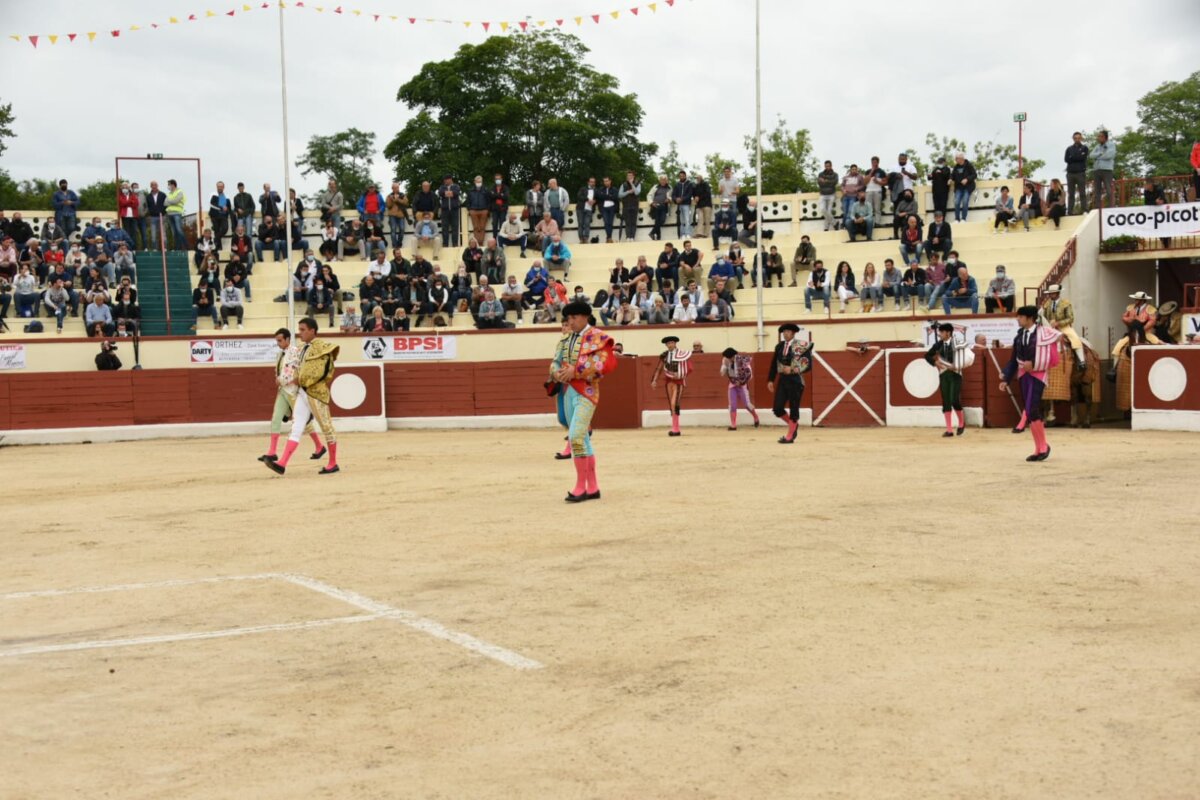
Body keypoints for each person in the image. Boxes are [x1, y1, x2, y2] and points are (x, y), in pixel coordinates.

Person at [551, 301, 617, 501]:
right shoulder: (565, 340)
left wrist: (576, 371)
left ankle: (580, 486)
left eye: (573, 318)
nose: (570, 322)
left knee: (577, 436)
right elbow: (554, 361)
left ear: (585, 317)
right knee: (583, 439)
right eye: (568, 319)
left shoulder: (599, 337)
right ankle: (593, 487)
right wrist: (557, 373)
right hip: (568, 391)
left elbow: (604, 363)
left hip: (587, 392)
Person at [265, 318, 340, 476]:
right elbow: (296, 368)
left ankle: (333, 463)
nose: (300, 333)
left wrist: (300, 380)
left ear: (312, 331)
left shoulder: (323, 348)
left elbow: (321, 372)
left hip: (316, 392)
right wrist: (293, 379)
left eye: (303, 329)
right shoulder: (301, 348)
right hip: (302, 393)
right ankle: (282, 463)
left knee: (326, 427)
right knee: (296, 426)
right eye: (299, 329)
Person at [1001, 306, 1062, 462]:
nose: (1017, 319)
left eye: (1020, 317)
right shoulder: (1019, 336)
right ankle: (1039, 448)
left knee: (1032, 408)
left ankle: (1043, 447)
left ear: (1029, 318)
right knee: (1030, 409)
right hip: (1023, 375)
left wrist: (1034, 363)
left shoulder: (1044, 333)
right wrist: (1006, 379)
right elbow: (1014, 359)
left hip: (1038, 374)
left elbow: (1047, 354)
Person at [259, 327, 325, 464]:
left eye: (280, 340)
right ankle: (272, 452)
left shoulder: (295, 352)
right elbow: (279, 369)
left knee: (303, 421)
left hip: (293, 391)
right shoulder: (279, 354)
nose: (278, 343)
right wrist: (278, 379)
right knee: (276, 418)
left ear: (288, 339)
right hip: (283, 390)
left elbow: (295, 370)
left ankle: (319, 446)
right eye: (277, 341)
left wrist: (282, 380)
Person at [767, 323, 812, 444]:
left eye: (787, 331)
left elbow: (807, 365)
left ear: (793, 333)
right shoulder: (779, 346)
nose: (785, 334)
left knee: (794, 407)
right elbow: (773, 364)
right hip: (783, 380)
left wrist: (792, 369)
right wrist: (771, 380)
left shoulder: (801, 346)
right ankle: (793, 425)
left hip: (796, 380)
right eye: (784, 332)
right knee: (777, 408)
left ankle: (790, 436)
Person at [925, 322, 972, 437]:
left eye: (941, 332)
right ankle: (949, 430)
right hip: (943, 375)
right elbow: (927, 355)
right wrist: (935, 362)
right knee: (946, 401)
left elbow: (965, 357)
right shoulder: (938, 345)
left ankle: (961, 423)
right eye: (940, 332)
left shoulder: (957, 344)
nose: (940, 334)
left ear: (948, 333)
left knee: (954, 399)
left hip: (955, 374)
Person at [650, 335, 693, 436]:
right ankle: (675, 429)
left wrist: (681, 375)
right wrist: (654, 380)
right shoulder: (664, 355)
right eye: (668, 343)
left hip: (679, 382)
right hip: (668, 382)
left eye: (671, 343)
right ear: (666, 345)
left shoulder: (682, 354)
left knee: (675, 403)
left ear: (675, 343)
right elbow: (659, 368)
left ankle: (676, 429)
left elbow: (689, 368)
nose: (670, 345)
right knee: (672, 405)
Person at [1040, 283, 1087, 370]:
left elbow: (1070, 318)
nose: (1051, 295)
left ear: (1058, 293)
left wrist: (1058, 323)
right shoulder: (1047, 305)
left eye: (1053, 293)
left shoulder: (1066, 303)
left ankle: (1082, 361)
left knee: (1074, 338)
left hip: (1064, 327)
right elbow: (1045, 317)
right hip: (1050, 327)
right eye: (1050, 293)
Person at [1111, 291, 1161, 361]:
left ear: (1142, 300)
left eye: (1137, 299)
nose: (1135, 301)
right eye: (1136, 299)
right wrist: (1131, 320)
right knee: (1117, 348)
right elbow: (1124, 317)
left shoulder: (1150, 309)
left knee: (1156, 342)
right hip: (1132, 332)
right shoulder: (1131, 307)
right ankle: (1114, 368)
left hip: (1146, 333)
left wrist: (1142, 329)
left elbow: (1152, 320)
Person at [721, 347, 760, 430]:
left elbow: (749, 374)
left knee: (747, 404)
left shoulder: (742, 361)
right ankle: (733, 425)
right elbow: (722, 374)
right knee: (732, 405)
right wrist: (724, 366)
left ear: (731, 357)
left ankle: (756, 417)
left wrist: (742, 382)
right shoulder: (725, 361)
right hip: (732, 385)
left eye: (727, 357)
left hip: (742, 386)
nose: (725, 359)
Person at [1064, 132, 1089, 215]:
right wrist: (1077, 156)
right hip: (1070, 173)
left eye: (1078, 138)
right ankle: (1070, 211)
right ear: (1073, 138)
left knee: (1082, 192)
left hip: (1080, 173)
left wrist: (1073, 157)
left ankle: (1084, 210)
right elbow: (1066, 159)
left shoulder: (1085, 148)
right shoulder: (1069, 148)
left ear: (1081, 138)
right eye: (1075, 138)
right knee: (1071, 194)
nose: (1077, 139)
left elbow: (1083, 158)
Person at [1091, 130, 1116, 209]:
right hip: (1096, 170)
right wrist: (1100, 154)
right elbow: (1091, 155)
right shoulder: (1097, 146)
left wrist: (1098, 157)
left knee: (1109, 189)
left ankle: (1111, 207)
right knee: (1097, 190)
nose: (1099, 138)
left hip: (1107, 170)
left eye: (1101, 136)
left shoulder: (1111, 145)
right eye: (1098, 136)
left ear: (1106, 137)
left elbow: (1109, 155)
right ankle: (1098, 208)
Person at [950, 153, 977, 222]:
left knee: (965, 201)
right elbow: (952, 175)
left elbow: (974, 175)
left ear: (961, 159)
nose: (956, 160)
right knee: (956, 202)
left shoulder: (969, 165)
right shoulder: (956, 167)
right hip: (959, 187)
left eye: (957, 158)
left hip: (968, 187)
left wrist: (967, 179)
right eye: (955, 158)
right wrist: (950, 179)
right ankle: (957, 218)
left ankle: (963, 218)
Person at [618, 171, 642, 241]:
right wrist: (628, 192)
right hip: (626, 205)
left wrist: (632, 184)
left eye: (630, 176)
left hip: (635, 205)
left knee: (633, 222)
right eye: (628, 176)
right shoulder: (623, 184)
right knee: (627, 222)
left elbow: (637, 192)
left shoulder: (638, 184)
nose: (629, 177)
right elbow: (620, 195)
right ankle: (628, 236)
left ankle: (632, 237)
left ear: (633, 176)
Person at [816, 161, 838, 230]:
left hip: (831, 194)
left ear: (831, 166)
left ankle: (826, 228)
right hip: (822, 194)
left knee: (828, 212)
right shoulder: (820, 174)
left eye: (829, 166)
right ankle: (835, 223)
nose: (827, 167)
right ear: (824, 166)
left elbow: (834, 183)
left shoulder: (835, 174)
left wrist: (825, 181)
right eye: (826, 166)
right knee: (822, 209)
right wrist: (828, 182)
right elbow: (820, 183)